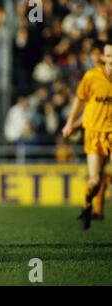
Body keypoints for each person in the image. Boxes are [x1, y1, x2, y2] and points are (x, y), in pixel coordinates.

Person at [62, 40, 112, 230]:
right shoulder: (92, 77)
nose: (110, 60)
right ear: (103, 58)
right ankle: (87, 204)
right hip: (94, 133)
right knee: (94, 180)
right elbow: (80, 101)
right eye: (108, 56)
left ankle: (98, 209)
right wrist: (69, 124)